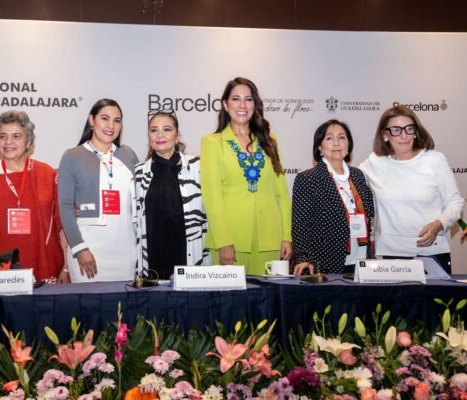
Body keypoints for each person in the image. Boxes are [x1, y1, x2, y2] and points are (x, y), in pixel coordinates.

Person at [200, 77, 292, 275]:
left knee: (268, 296)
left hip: (270, 240)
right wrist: (224, 241)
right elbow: (212, 197)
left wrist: (286, 236)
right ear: (225, 105)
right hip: (231, 241)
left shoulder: (270, 141)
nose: (242, 105)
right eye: (236, 99)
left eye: (248, 99)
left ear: (255, 104)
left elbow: (282, 195)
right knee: (231, 296)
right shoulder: (212, 142)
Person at [0, 111, 66, 282]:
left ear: (28, 142)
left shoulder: (47, 175)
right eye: (3, 136)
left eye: (16, 136)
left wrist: (66, 268)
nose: (8, 142)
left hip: (41, 269)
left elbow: (61, 226)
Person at [359, 105, 463, 273]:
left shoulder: (435, 160)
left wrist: (439, 224)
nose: (404, 135)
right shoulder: (374, 162)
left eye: (409, 128)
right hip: (390, 255)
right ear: (385, 135)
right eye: (396, 130)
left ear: (416, 131)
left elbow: (455, 202)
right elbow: (346, 180)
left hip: (432, 253)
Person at [58, 99, 139, 282]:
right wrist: (79, 248)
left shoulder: (128, 155)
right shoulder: (72, 156)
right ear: (91, 120)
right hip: (88, 249)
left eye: (117, 120)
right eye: (104, 118)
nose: (111, 125)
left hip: (126, 250)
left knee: (124, 300)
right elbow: (65, 206)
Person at [134, 110, 210, 280]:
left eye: (167, 129)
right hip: (152, 261)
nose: (160, 135)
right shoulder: (139, 172)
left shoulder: (198, 167)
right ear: (148, 136)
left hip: (190, 258)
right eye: (154, 130)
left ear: (177, 136)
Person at [292, 120, 374, 275]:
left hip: (361, 260)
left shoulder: (358, 175)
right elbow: (301, 223)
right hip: (326, 262)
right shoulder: (308, 179)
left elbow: (368, 212)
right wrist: (303, 257)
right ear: (319, 147)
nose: (336, 143)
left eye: (342, 137)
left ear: (348, 145)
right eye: (329, 138)